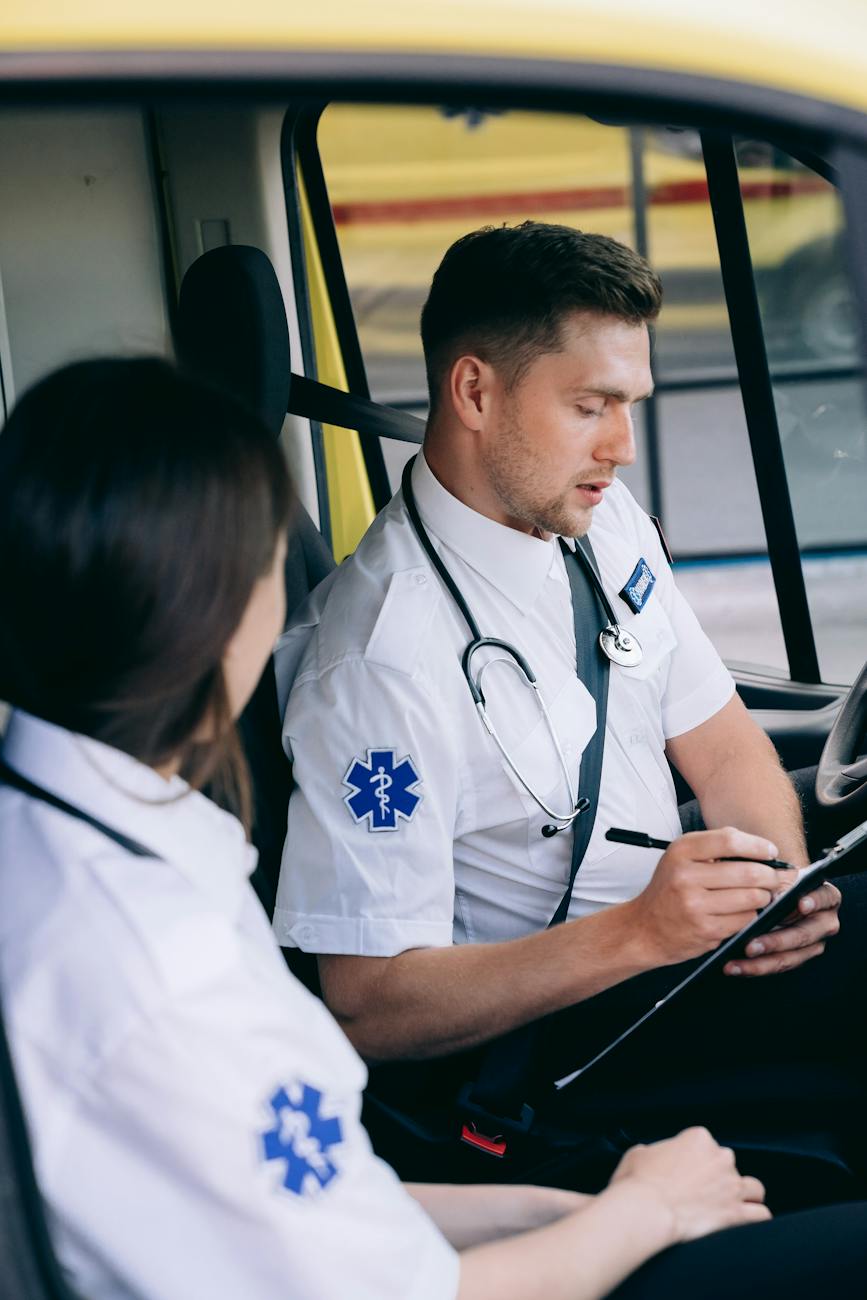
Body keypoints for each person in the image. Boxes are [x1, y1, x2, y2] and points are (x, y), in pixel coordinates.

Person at [5, 357, 853, 1300]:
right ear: (214, 613)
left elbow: (325, 1202)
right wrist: (639, 1213)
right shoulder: (162, 961)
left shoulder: (84, 850)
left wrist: (567, 1209)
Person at [273, 221, 866, 1201]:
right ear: (474, 391)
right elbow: (368, 1007)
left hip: (681, 954)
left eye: (627, 404)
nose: (623, 447)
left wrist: (778, 891)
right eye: (591, 405)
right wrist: (641, 932)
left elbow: (722, 743)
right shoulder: (379, 665)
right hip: (568, 1038)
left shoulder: (594, 516)